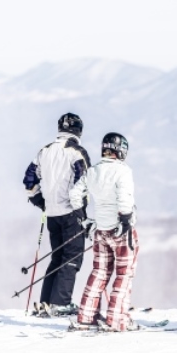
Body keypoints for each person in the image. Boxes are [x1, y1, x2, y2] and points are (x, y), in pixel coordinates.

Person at [68, 132, 139, 332]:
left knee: (99, 272)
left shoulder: (93, 171)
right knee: (124, 274)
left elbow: (75, 194)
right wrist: (125, 220)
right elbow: (124, 197)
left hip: (100, 230)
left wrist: (83, 219)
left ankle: (86, 316)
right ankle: (116, 320)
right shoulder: (123, 171)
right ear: (121, 150)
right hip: (121, 231)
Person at [22, 112, 91, 317]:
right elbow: (82, 183)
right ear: (79, 130)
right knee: (72, 258)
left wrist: (40, 202)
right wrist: (82, 214)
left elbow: (29, 180)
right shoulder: (76, 152)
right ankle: (60, 304)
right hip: (71, 213)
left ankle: (46, 302)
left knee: (57, 257)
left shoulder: (45, 151)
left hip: (51, 214)